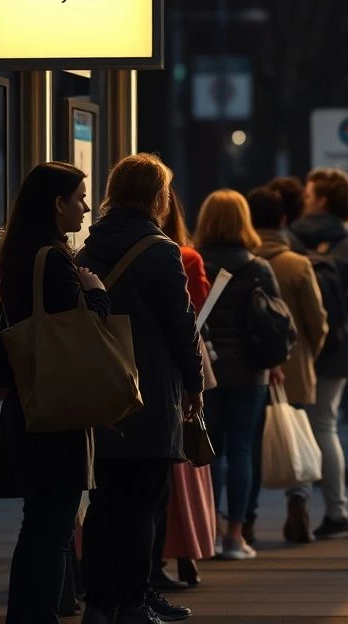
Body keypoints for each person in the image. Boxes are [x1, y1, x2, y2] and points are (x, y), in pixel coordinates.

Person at [76, 154, 203, 624]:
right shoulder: (160, 250)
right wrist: (194, 387)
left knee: (106, 503)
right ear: (157, 196)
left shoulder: (88, 249)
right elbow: (181, 326)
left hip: (102, 394)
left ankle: (99, 603)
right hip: (149, 396)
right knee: (143, 504)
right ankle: (133, 602)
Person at [0, 161, 107, 624]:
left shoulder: (20, 252)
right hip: (58, 411)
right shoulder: (54, 259)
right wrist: (96, 293)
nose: (85, 209)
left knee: (40, 524)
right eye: (79, 198)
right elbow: (81, 333)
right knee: (53, 528)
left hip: (30, 403)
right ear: (57, 204)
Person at [193, 189, 280, 561]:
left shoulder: (191, 261)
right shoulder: (258, 268)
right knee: (243, 449)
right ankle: (235, 536)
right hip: (250, 370)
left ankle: (208, 531)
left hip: (206, 370)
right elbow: (277, 321)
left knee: (209, 452)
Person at [289, 168, 348, 540]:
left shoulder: (291, 242)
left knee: (299, 426)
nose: (305, 198)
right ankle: (337, 512)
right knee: (325, 425)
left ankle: (299, 505)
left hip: (297, 348)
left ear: (321, 200)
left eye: (309, 194)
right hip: (337, 351)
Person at [248, 186, 328, 543]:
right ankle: (299, 502)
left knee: (246, 444)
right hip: (292, 365)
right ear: (283, 220)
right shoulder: (298, 265)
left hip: (248, 370)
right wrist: (309, 353)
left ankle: (244, 521)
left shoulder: (241, 260)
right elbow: (318, 321)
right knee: (295, 438)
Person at [152, 185, 216, 593]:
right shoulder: (184, 256)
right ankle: (186, 552)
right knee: (181, 474)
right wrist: (196, 387)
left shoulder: (92, 252)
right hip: (176, 375)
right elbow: (194, 310)